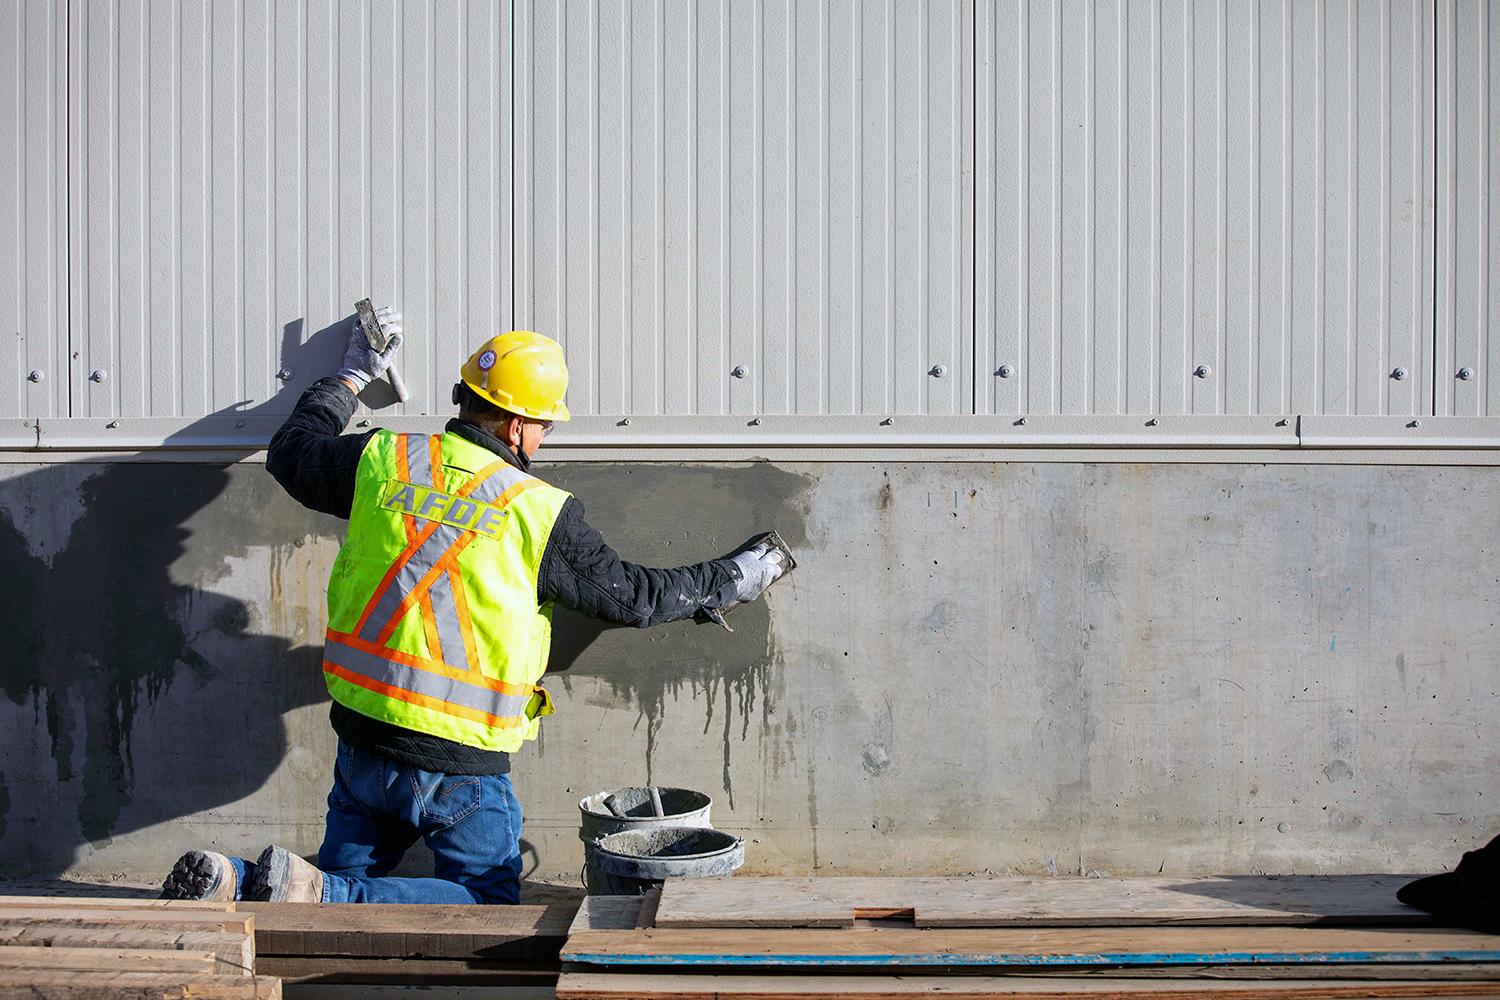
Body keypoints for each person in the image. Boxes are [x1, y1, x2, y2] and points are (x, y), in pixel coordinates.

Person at [160, 309, 788, 903]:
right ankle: (325, 891)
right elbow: (630, 597)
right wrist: (730, 578)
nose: (544, 438)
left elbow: (292, 451)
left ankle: (245, 882)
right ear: (518, 426)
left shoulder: (383, 461)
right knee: (482, 897)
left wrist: (353, 373)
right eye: (545, 425)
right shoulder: (538, 512)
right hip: (453, 762)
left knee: (321, 898)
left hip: (362, 740)